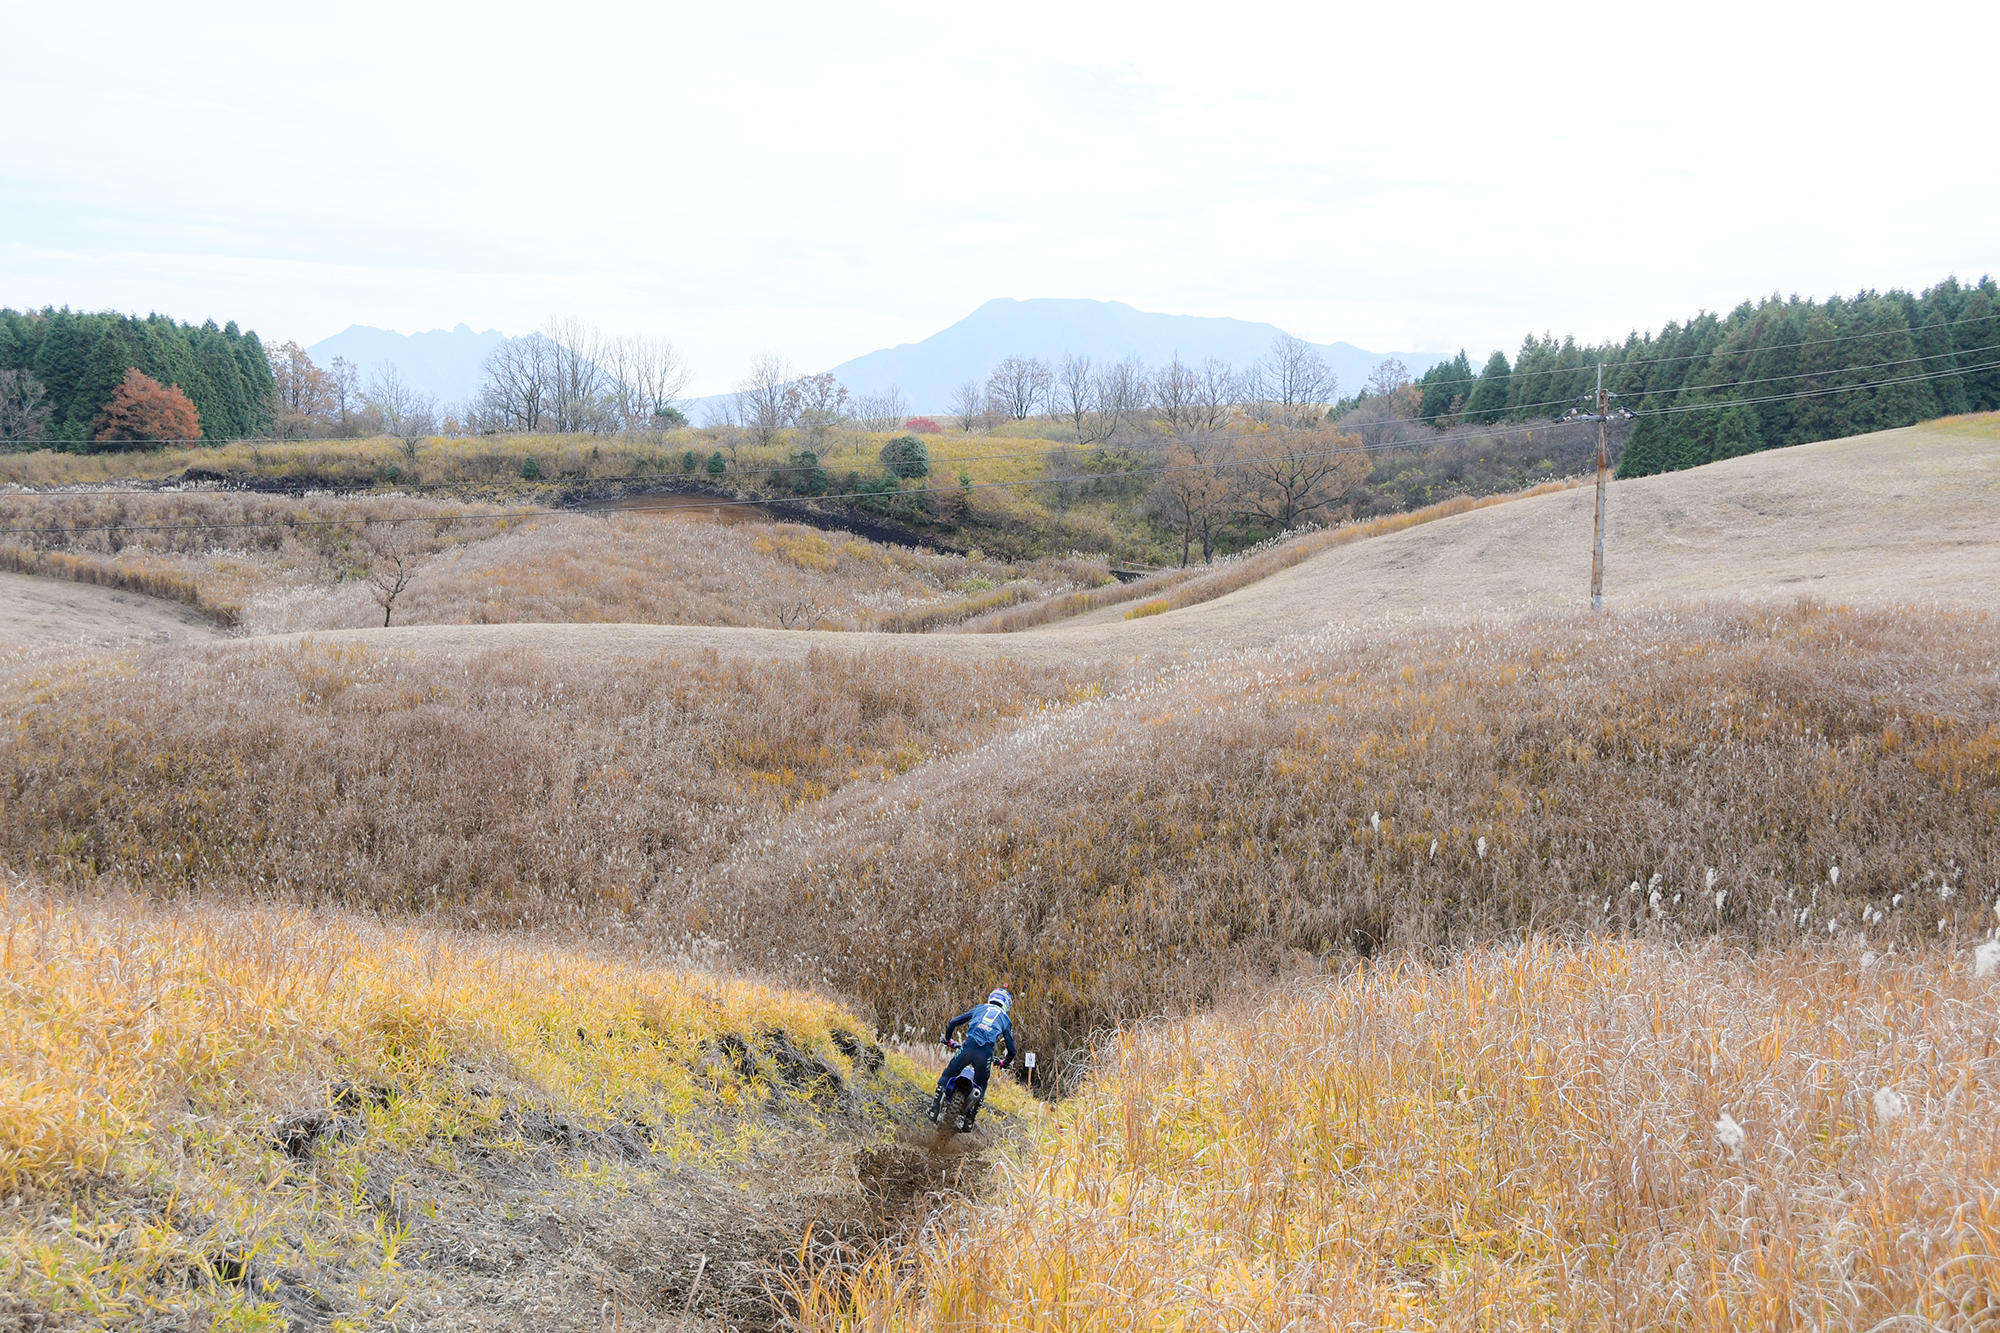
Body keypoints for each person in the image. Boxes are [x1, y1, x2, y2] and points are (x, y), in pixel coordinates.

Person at [930, 987, 1019, 1126]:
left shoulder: (980, 1008)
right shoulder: (1005, 1019)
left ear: (991, 998)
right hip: (984, 1055)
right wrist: (1004, 1063)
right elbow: (1012, 1051)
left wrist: (948, 1040)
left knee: (947, 1074)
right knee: (981, 1084)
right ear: (1007, 1005)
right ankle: (969, 1120)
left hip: (967, 1048)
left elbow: (953, 1022)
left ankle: (934, 1109)